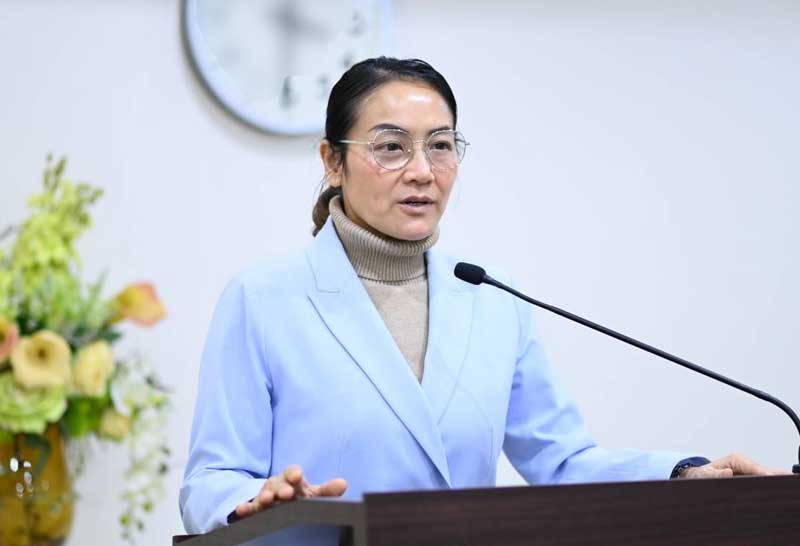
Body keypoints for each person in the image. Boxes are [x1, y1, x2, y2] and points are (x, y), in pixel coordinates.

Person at [179, 57, 780, 544]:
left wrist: (684, 475)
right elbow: (209, 480)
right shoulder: (264, 300)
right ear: (332, 161)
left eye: (440, 145)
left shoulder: (490, 299)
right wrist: (259, 501)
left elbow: (563, 463)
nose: (422, 171)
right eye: (391, 147)